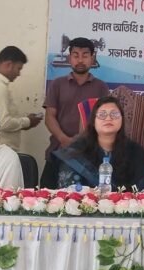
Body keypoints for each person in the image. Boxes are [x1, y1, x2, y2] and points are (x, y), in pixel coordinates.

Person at [41, 37, 109, 187]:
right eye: (76, 55)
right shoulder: (57, 84)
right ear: (69, 58)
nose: (80, 60)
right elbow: (50, 117)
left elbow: (106, 121)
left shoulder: (101, 88)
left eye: (85, 55)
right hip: (58, 150)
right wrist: (63, 139)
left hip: (89, 155)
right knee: (48, 196)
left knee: (87, 198)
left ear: (92, 59)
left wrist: (83, 140)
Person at [56, 96, 144, 191]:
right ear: (93, 121)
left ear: (122, 120)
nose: (108, 118)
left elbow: (140, 190)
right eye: (102, 114)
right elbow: (68, 188)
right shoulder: (76, 151)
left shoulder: (135, 152)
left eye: (114, 114)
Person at [0, 46, 42, 151]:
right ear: (9, 65)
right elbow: (3, 123)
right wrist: (27, 121)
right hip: (0, 149)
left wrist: (24, 122)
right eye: (18, 68)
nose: (19, 74)